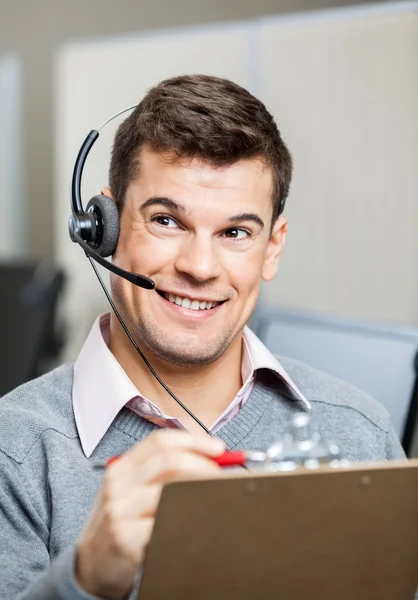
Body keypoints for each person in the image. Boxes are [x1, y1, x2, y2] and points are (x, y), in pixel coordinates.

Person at [0, 74, 404, 600]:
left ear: (272, 246)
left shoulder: (361, 433)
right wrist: (86, 580)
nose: (200, 267)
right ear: (105, 226)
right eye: (167, 220)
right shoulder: (14, 452)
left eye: (236, 233)